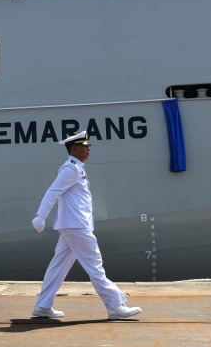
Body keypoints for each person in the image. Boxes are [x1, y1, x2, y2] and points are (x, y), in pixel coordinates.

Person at [31, 131, 142, 320]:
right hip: (76, 226)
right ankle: (115, 305)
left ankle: (42, 305)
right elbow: (53, 191)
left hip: (72, 225)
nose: (88, 149)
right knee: (95, 265)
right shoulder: (71, 168)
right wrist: (41, 216)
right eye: (85, 146)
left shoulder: (77, 167)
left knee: (58, 266)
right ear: (74, 148)